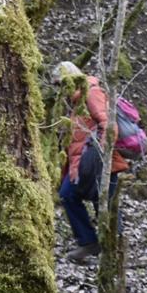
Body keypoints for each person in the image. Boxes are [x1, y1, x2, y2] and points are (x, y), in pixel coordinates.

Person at [52, 59, 119, 258]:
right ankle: (89, 242)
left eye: (62, 84)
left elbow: (109, 123)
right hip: (81, 163)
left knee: (104, 204)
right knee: (68, 195)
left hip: (99, 162)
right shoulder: (75, 102)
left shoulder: (91, 93)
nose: (60, 90)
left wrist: (101, 155)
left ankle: (114, 252)